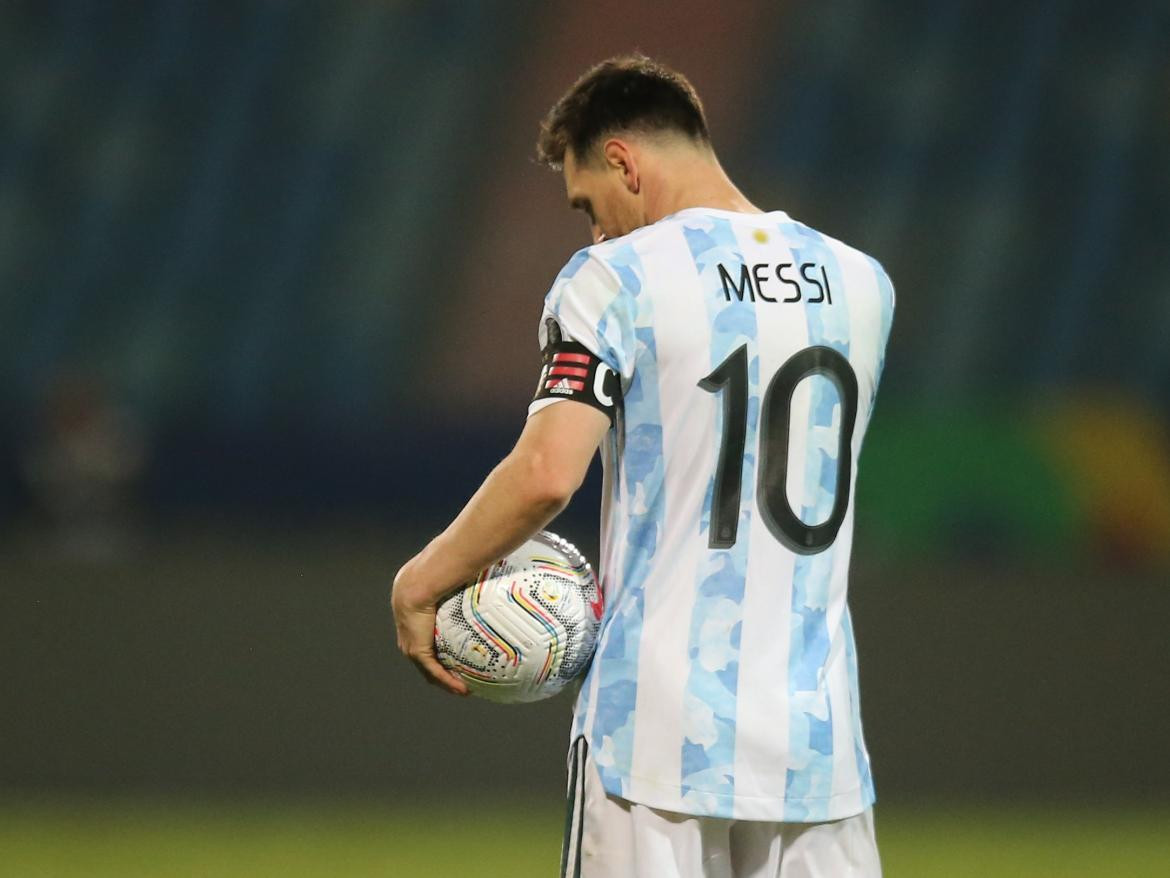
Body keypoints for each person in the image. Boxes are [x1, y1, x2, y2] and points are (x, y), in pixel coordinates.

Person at [392, 54, 894, 878]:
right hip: (817, 742)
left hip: (655, 737)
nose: (593, 231)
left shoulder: (612, 280)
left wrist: (420, 581)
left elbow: (550, 472)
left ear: (623, 159)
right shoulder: (861, 284)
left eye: (589, 202)